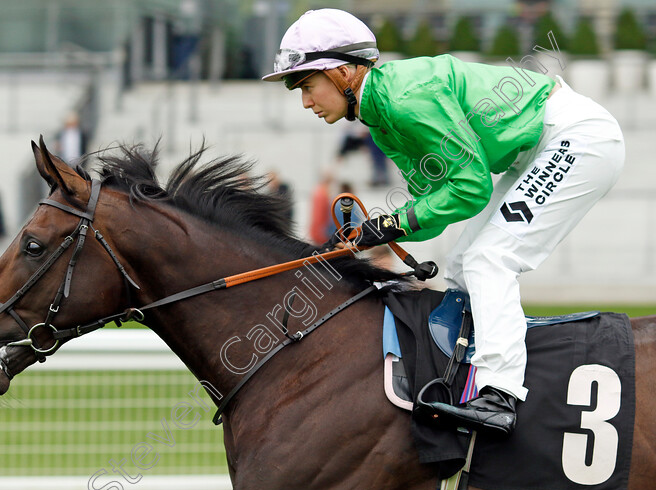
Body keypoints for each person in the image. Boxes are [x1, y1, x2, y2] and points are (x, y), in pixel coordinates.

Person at [263, 9, 624, 436]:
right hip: (537, 149)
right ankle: (464, 378)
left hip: (577, 138)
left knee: (491, 260)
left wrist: (395, 223)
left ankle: (500, 395)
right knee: (460, 264)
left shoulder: (404, 99)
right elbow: (436, 204)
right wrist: (374, 232)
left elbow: (471, 188)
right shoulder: (380, 119)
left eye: (307, 86)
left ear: (344, 72)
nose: (305, 102)